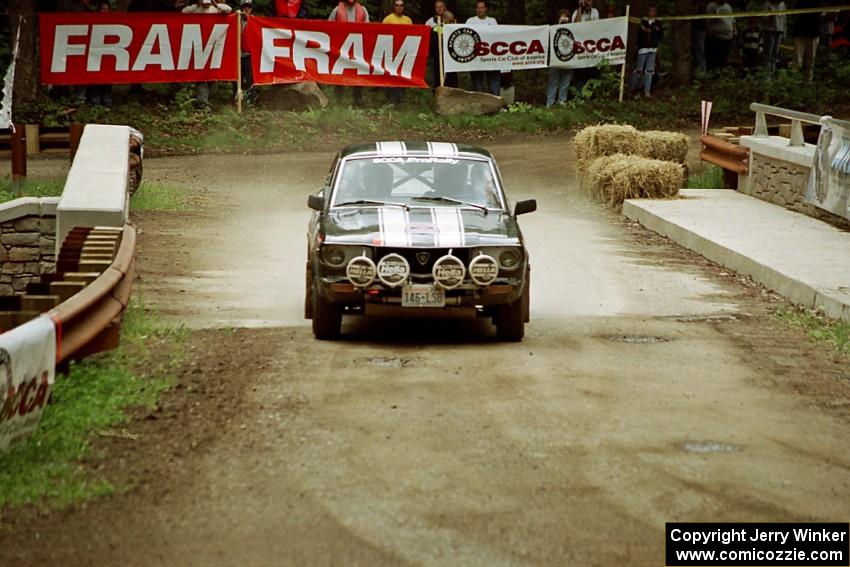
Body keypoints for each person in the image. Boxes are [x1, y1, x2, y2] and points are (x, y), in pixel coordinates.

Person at [183, 0, 232, 109]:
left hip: (213, 48)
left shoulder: (215, 10)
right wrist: (195, 6)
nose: (206, 5)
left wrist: (216, 5)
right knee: (201, 77)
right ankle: (203, 103)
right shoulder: (195, 10)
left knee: (212, 77)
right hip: (198, 47)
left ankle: (209, 101)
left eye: (207, 3)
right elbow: (183, 12)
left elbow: (228, 9)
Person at [329, 0, 370, 105]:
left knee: (358, 74)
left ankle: (357, 99)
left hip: (358, 48)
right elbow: (328, 26)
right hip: (341, 48)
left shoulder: (363, 10)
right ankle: (338, 99)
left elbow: (369, 29)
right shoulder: (337, 10)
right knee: (340, 73)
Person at [466, 0, 500, 96]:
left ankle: (495, 100)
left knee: (493, 78)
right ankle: (479, 101)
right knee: (477, 80)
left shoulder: (492, 21)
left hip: (490, 55)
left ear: (486, 9)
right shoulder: (470, 21)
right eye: (478, 8)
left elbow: (497, 35)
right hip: (476, 56)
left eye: (482, 7)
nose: (480, 10)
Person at [382, 0, 413, 104]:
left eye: (401, 5)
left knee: (402, 75)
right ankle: (390, 99)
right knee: (390, 76)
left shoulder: (408, 20)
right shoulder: (388, 19)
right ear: (394, 7)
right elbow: (382, 35)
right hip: (391, 52)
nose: (399, 7)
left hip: (404, 52)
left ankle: (400, 98)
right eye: (397, 5)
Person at [629, 6, 662, 97]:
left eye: (654, 11)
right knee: (639, 69)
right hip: (643, 48)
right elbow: (639, 35)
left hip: (653, 48)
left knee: (649, 70)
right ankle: (631, 88)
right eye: (650, 11)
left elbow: (660, 35)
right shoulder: (642, 22)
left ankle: (647, 90)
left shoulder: (658, 22)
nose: (652, 13)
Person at [426, 0, 458, 88]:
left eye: (441, 6)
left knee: (451, 74)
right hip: (437, 53)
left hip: (450, 52)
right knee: (438, 73)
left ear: (445, 7)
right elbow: (427, 36)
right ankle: (437, 91)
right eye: (437, 7)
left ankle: (453, 92)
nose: (439, 9)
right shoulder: (430, 21)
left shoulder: (451, 19)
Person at [88, 1, 114, 107]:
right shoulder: (92, 21)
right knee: (95, 76)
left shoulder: (114, 22)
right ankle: (95, 99)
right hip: (95, 54)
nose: (105, 11)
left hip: (108, 54)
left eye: (106, 9)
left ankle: (106, 98)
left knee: (107, 77)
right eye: (103, 9)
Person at [546, 10, 574, 107]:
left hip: (568, 59)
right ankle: (550, 103)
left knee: (565, 82)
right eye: (562, 17)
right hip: (555, 59)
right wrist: (559, 24)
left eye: (566, 18)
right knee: (553, 82)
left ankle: (562, 101)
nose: (564, 20)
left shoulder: (573, 30)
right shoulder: (553, 29)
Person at [792, 0, 822, 81]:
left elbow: (823, 14)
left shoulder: (819, 2)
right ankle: (793, 82)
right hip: (800, 33)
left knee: (811, 60)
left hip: (813, 34)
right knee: (798, 60)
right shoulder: (800, 2)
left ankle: (808, 82)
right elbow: (793, 13)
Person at [705, 0, 735, 70]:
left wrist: (734, 30)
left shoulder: (728, 6)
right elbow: (707, 21)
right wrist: (709, 33)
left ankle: (720, 73)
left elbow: (732, 19)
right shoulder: (711, 6)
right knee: (714, 60)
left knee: (723, 59)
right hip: (716, 37)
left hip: (728, 37)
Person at [762, 0, 787, 75]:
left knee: (775, 53)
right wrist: (771, 16)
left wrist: (784, 32)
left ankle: (773, 71)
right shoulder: (767, 4)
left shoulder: (782, 4)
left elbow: (784, 19)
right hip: (770, 31)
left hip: (779, 31)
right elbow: (764, 18)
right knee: (768, 53)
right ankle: (766, 74)